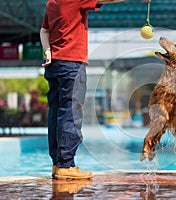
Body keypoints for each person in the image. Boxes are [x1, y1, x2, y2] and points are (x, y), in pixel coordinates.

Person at [40, 0, 124, 179]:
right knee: (70, 113)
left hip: (54, 64)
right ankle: (66, 165)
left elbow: (44, 30)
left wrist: (48, 51)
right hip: (71, 64)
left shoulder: (51, 3)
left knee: (56, 113)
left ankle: (57, 163)